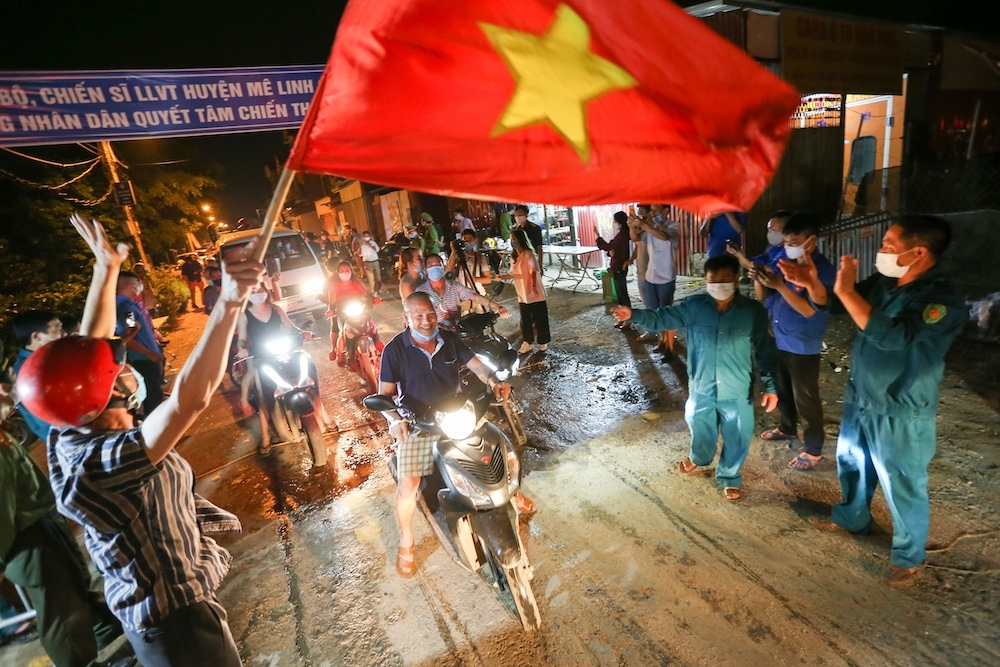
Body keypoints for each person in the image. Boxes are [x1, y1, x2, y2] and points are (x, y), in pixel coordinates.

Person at [17, 214, 263, 665]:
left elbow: (82, 353)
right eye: (115, 375)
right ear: (102, 396)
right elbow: (189, 400)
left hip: (169, 617)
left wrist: (105, 270)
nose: (124, 374)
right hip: (178, 625)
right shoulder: (105, 460)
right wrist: (228, 304)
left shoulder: (68, 425)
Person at [780, 215, 965, 587]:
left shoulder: (941, 301)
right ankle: (851, 517)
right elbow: (833, 306)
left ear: (919, 252)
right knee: (852, 462)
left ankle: (909, 556)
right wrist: (813, 284)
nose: (881, 251)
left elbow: (895, 336)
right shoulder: (886, 282)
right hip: (861, 395)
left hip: (900, 408)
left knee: (901, 481)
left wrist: (847, 292)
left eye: (888, 246)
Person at [378, 292, 533, 577]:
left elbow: (477, 365)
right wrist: (394, 419)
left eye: (430, 315)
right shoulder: (394, 350)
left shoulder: (449, 340)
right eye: (419, 316)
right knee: (408, 485)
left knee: (495, 450)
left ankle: (511, 493)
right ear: (406, 318)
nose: (426, 322)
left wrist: (493, 381)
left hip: (456, 413)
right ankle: (407, 540)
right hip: (419, 423)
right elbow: (384, 396)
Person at [612, 255, 779, 501]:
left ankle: (730, 476)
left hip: (737, 389)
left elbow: (766, 351)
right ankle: (699, 458)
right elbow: (662, 318)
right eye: (714, 280)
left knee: (738, 434)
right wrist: (632, 315)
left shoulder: (753, 312)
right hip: (702, 387)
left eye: (725, 279)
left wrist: (772, 386)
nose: (719, 284)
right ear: (706, 280)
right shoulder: (694, 306)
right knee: (700, 428)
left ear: (736, 279)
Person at [1, 383, 130, 667]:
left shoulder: (3, 431)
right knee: (61, 616)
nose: (3, 389)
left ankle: (108, 631)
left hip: (42, 526)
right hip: (28, 541)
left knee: (74, 591)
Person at [749, 213, 836, 470]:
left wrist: (779, 285)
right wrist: (759, 280)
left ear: (811, 241)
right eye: (786, 241)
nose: (788, 245)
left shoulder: (823, 271)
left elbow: (811, 309)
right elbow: (765, 297)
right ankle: (788, 428)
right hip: (779, 334)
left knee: (805, 396)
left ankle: (813, 449)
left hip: (802, 341)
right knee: (783, 386)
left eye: (794, 241)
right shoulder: (782, 261)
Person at [236, 280, 333, 454]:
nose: (258, 294)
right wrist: (242, 348)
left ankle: (325, 416)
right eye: (253, 291)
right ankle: (266, 437)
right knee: (263, 395)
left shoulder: (276, 309)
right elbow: (242, 338)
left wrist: (303, 333)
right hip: (261, 355)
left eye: (260, 290)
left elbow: (290, 327)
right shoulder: (244, 315)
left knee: (308, 375)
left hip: (284, 350)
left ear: (266, 291)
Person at [11, 310, 65, 443]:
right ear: (36, 337)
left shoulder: (49, 359)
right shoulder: (27, 373)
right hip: (65, 439)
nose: (64, 334)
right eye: (57, 329)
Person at [631, 204, 680, 352]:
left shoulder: (674, 226)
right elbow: (636, 239)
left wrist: (645, 225)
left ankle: (666, 342)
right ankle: (658, 337)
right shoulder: (649, 227)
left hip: (666, 277)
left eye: (655, 209)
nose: (652, 212)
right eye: (651, 209)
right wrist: (632, 227)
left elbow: (664, 236)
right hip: (650, 276)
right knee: (652, 310)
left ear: (666, 211)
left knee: (665, 311)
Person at [116, 271, 165, 416]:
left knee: (153, 394)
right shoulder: (126, 309)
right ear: (132, 285)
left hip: (145, 357)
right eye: (139, 283)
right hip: (144, 359)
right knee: (153, 395)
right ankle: (155, 431)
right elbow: (128, 336)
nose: (141, 286)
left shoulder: (128, 304)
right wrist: (149, 353)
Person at [416, 254, 509, 330]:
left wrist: (498, 307)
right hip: (435, 335)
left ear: (443, 267)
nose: (434, 267)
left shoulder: (454, 286)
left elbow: (476, 297)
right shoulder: (421, 292)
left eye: (437, 264)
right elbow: (419, 318)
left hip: (458, 332)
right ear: (425, 270)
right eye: (431, 266)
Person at [500, 229, 550, 353]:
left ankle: (543, 341)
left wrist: (533, 286)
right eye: (511, 239)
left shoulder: (528, 254)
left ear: (521, 240)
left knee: (540, 317)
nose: (512, 241)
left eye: (514, 239)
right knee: (525, 319)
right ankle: (528, 341)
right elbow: (513, 273)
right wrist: (503, 277)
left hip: (533, 291)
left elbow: (533, 271)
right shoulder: (514, 257)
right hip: (522, 293)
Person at [326, 261, 379, 367]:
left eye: (347, 270)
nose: (345, 273)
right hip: (342, 313)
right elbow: (332, 302)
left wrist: (374, 299)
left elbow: (367, 295)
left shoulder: (357, 283)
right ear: (338, 273)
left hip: (359, 310)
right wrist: (331, 310)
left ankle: (379, 346)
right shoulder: (334, 286)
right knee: (343, 332)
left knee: (371, 326)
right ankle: (340, 354)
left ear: (351, 271)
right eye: (342, 271)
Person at [594, 211, 633, 326]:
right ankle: (622, 317)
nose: (613, 223)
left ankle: (628, 319)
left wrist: (597, 236)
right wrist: (610, 252)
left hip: (620, 267)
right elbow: (612, 250)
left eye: (615, 221)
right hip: (618, 267)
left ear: (620, 222)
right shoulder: (623, 234)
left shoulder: (623, 235)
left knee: (623, 295)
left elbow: (609, 247)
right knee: (620, 295)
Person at [728, 210, 793, 271]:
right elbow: (753, 263)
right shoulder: (774, 248)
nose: (770, 234)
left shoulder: (789, 252)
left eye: (773, 231)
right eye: (769, 231)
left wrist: (741, 257)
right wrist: (738, 254)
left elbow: (770, 270)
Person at [446, 229, 492, 313]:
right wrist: (453, 251)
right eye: (465, 239)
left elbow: (488, 279)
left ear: (475, 240)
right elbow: (449, 269)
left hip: (477, 293)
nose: (467, 241)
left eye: (470, 238)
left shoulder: (480, 257)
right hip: (462, 295)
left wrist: (475, 279)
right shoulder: (458, 257)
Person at [513, 205, 544, 270]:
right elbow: (515, 246)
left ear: (526, 215)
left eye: (520, 215)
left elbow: (539, 248)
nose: (518, 217)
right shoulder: (516, 230)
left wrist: (539, 265)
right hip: (521, 260)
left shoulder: (534, 228)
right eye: (516, 215)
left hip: (532, 259)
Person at [358, 230, 382, 295]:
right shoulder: (361, 244)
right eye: (364, 236)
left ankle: (379, 289)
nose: (366, 237)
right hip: (367, 262)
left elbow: (377, 250)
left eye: (367, 236)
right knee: (371, 278)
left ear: (369, 236)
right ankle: (373, 291)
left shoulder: (373, 242)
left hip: (375, 261)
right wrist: (359, 248)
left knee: (378, 276)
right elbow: (360, 254)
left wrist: (370, 245)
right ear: (362, 237)